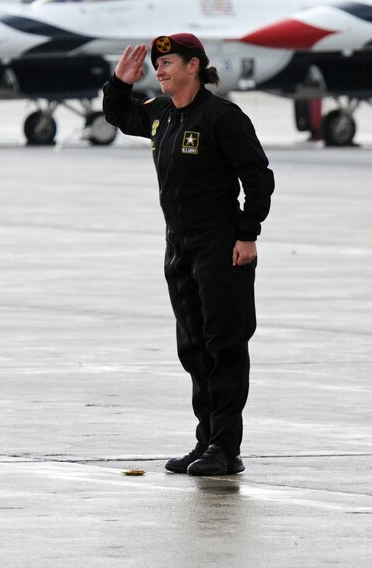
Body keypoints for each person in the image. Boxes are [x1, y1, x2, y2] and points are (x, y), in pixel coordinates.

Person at [102, 33, 274, 474]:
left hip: (221, 246)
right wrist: (120, 82)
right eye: (156, 65)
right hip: (179, 246)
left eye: (167, 63)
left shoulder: (222, 117)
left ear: (193, 66)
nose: (159, 71)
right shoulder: (162, 114)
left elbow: (257, 177)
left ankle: (225, 448)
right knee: (194, 348)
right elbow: (120, 116)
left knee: (225, 346)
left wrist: (247, 234)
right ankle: (205, 441)